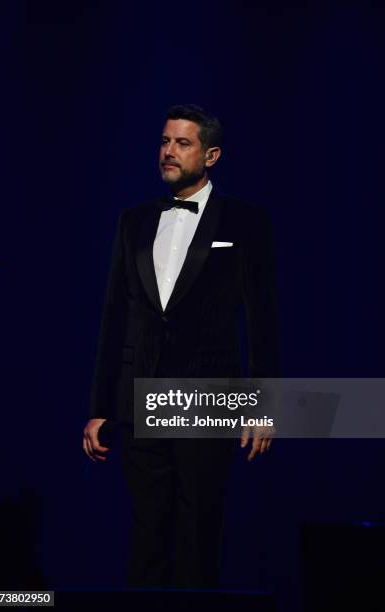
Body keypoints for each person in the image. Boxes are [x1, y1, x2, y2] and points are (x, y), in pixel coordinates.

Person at [82, 104, 280, 589]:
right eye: (165, 141)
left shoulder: (245, 222)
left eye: (182, 143)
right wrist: (100, 406)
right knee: (147, 532)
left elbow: (263, 319)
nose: (169, 152)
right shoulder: (133, 221)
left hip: (208, 394)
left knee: (198, 531)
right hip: (140, 398)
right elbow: (115, 318)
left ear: (211, 155)